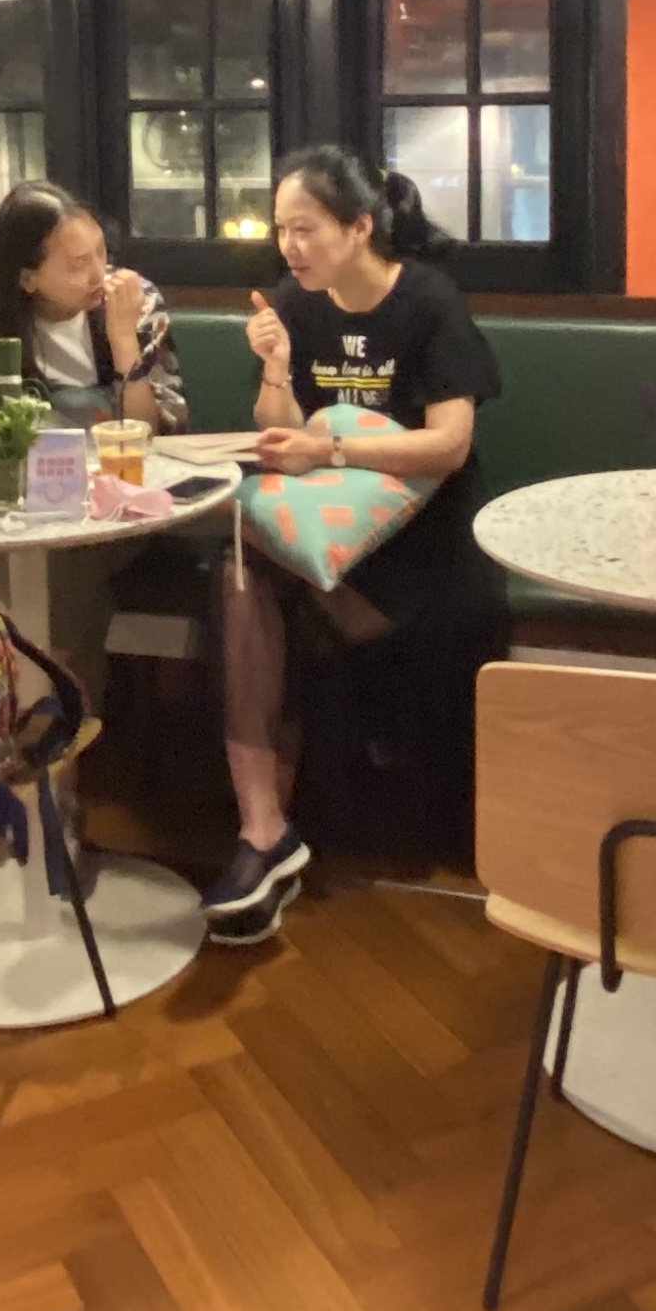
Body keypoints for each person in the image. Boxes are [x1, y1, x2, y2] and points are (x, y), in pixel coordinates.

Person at [203, 146, 505, 936]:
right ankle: (262, 829)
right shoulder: (293, 305)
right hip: (326, 529)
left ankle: (286, 824)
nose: (290, 247)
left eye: (305, 228)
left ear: (360, 226)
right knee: (239, 567)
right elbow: (281, 437)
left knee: (275, 588)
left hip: (421, 538)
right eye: (281, 230)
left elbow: (449, 445)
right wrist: (276, 369)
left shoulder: (428, 301)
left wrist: (329, 451)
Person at [0, 180, 188, 689]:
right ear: (28, 278)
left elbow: (151, 434)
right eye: (77, 264)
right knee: (35, 561)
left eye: (102, 253)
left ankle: (40, 704)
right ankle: (61, 707)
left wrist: (123, 340)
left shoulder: (135, 303)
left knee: (62, 565)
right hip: (11, 516)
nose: (99, 273)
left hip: (116, 508)